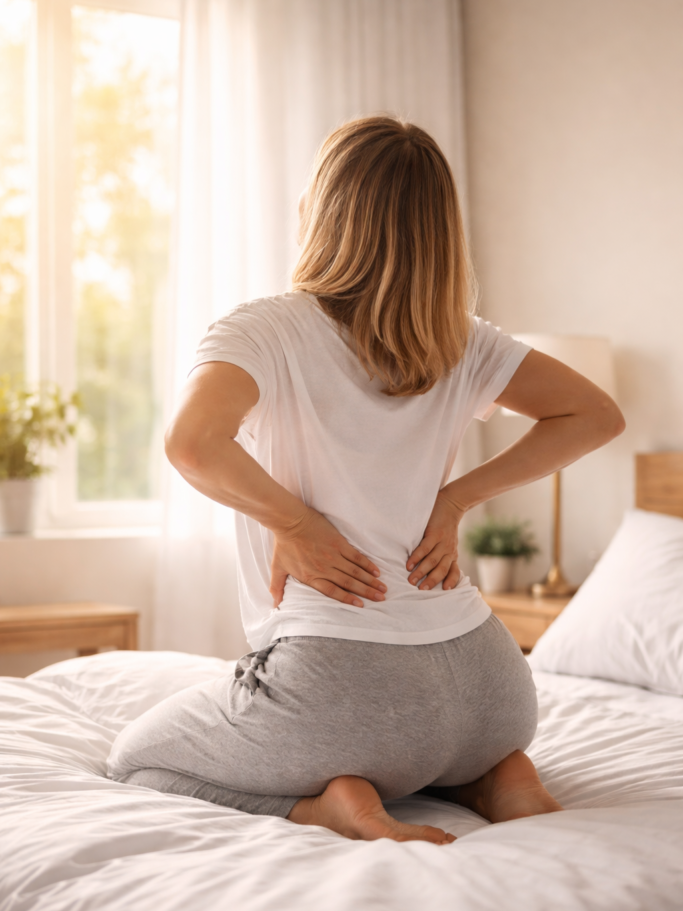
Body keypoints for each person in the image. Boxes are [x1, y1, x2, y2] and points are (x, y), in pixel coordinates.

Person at [107, 116, 625, 845]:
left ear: (321, 213)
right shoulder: (461, 339)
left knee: (135, 760)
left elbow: (192, 444)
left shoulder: (262, 331)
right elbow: (595, 415)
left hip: (343, 690)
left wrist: (296, 524)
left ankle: (331, 803)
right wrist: (458, 500)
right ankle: (497, 775)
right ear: (439, 228)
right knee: (446, 740)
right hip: (492, 685)